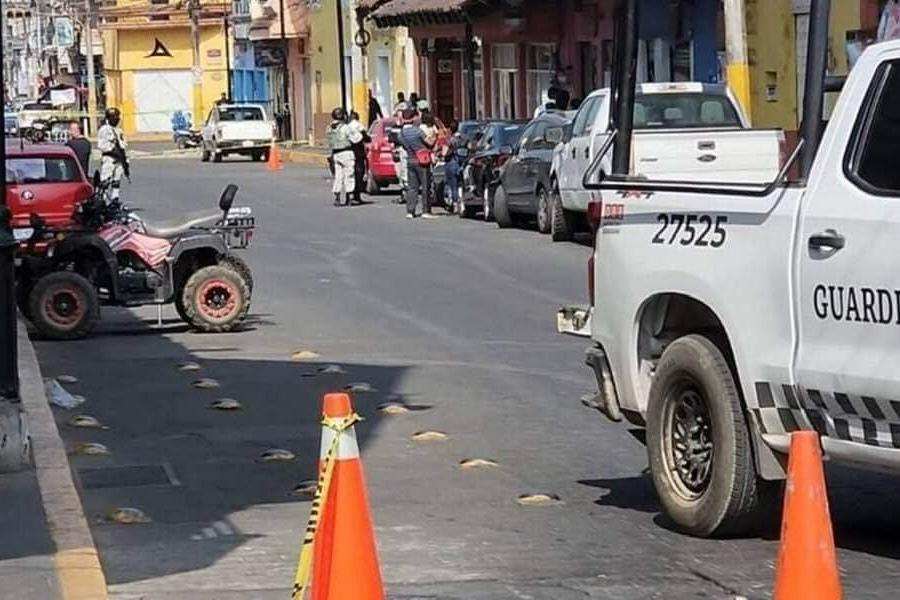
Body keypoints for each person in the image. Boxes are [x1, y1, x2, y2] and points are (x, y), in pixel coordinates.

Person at [399, 108, 435, 219]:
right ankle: (425, 210)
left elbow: (404, 146)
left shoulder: (402, 133)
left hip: (410, 160)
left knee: (412, 187)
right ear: (413, 118)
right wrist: (434, 137)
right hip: (422, 161)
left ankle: (410, 211)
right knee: (425, 186)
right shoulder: (417, 131)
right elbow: (429, 142)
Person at [325, 107, 362, 207]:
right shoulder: (345, 127)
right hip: (347, 153)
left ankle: (337, 197)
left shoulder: (329, 128)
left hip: (335, 154)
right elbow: (356, 139)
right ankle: (349, 196)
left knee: (338, 176)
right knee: (349, 175)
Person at [97, 107, 129, 201]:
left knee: (117, 180)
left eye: (117, 116)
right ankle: (103, 200)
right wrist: (113, 151)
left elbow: (123, 145)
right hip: (109, 159)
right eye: (114, 117)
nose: (117, 119)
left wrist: (125, 162)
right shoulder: (105, 129)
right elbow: (102, 146)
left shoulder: (119, 131)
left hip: (119, 160)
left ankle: (115, 198)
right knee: (106, 180)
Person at [348, 110, 370, 204]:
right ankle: (357, 196)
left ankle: (349, 196)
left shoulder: (347, 127)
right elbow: (366, 138)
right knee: (358, 174)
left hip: (349, 152)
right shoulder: (359, 126)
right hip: (358, 152)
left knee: (349, 175)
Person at [442, 120, 464, 214]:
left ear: (450, 129)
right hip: (461, 163)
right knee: (461, 184)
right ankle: (462, 203)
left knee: (453, 185)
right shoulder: (463, 139)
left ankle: (455, 204)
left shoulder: (450, 140)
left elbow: (444, 153)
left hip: (451, 163)